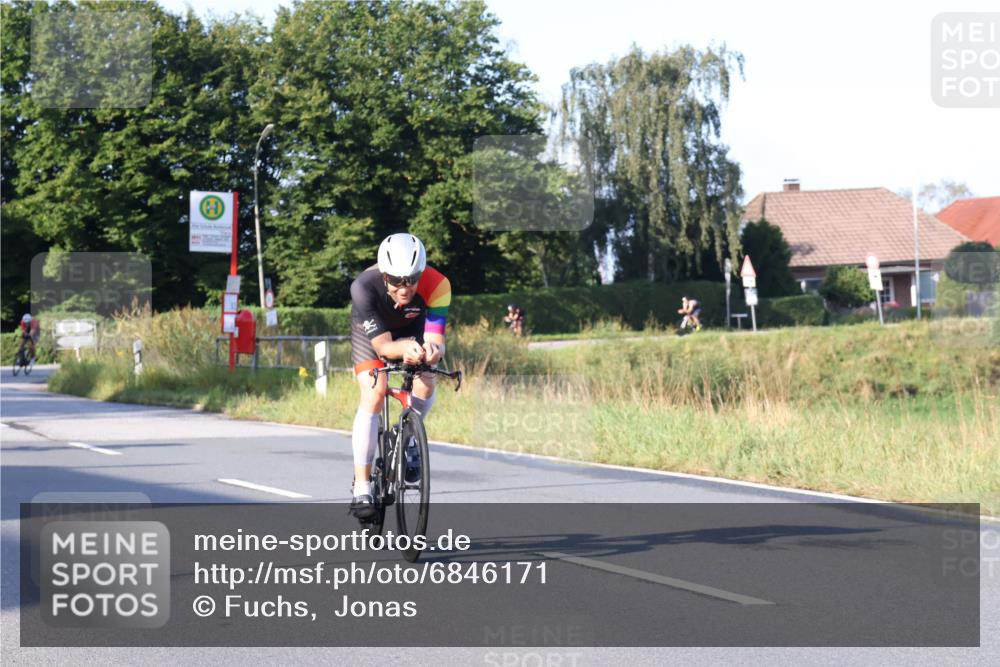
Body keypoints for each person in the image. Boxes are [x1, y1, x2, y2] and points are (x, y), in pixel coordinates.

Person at [348, 233, 450, 519]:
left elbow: (437, 341)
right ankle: (362, 486)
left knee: (427, 381)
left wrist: (432, 352)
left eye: (412, 279)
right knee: (375, 390)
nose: (405, 288)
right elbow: (383, 347)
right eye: (396, 280)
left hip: (413, 328)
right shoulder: (363, 287)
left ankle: (408, 436)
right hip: (373, 334)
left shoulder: (439, 285)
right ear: (384, 275)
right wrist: (404, 348)